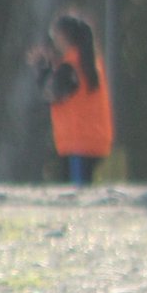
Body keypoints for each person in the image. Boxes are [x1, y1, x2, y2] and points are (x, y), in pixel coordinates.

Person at [29, 10, 113, 185]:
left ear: (64, 37)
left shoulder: (71, 67)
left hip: (78, 143)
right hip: (94, 140)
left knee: (77, 194)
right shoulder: (92, 63)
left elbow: (51, 93)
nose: (54, 42)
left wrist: (42, 70)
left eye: (55, 37)